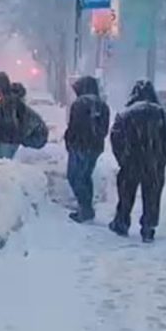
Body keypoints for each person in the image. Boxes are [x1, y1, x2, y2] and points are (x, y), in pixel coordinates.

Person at [108, 80, 166, 243]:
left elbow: (116, 138)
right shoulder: (164, 115)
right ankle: (148, 227)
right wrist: (162, 159)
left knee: (126, 194)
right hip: (154, 164)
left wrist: (123, 158)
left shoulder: (126, 114)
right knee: (152, 196)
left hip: (131, 163)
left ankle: (122, 222)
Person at [63, 75, 110, 222]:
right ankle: (86, 208)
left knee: (74, 177)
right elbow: (104, 129)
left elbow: (74, 127)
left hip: (79, 145)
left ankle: (85, 208)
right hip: (95, 147)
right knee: (85, 176)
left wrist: (69, 141)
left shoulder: (79, 104)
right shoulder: (103, 105)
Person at [0, 72, 48, 159]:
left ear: (1, 86)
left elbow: (9, 128)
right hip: (34, 135)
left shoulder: (8, 102)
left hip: (34, 137)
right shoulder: (9, 100)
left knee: (3, 158)